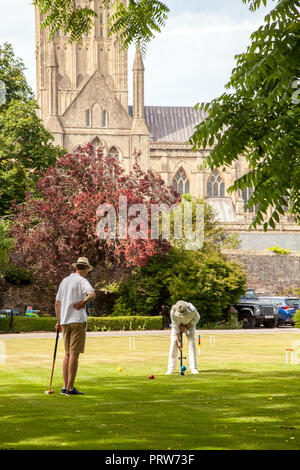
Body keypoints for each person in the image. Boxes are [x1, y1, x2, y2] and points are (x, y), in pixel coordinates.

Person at [55, 257, 96, 395]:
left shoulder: (64, 281)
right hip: (77, 320)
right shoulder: (82, 280)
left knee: (67, 354)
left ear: (76, 267)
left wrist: (58, 321)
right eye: (87, 270)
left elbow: (57, 303)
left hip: (65, 321)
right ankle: (70, 388)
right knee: (74, 354)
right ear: (84, 269)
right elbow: (92, 294)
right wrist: (83, 303)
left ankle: (64, 386)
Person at [166, 300, 200, 375]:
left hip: (190, 325)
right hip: (178, 326)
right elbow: (175, 328)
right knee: (173, 344)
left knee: (192, 343)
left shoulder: (192, 309)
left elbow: (197, 318)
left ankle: (193, 368)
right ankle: (171, 369)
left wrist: (186, 326)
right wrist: (179, 341)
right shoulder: (173, 312)